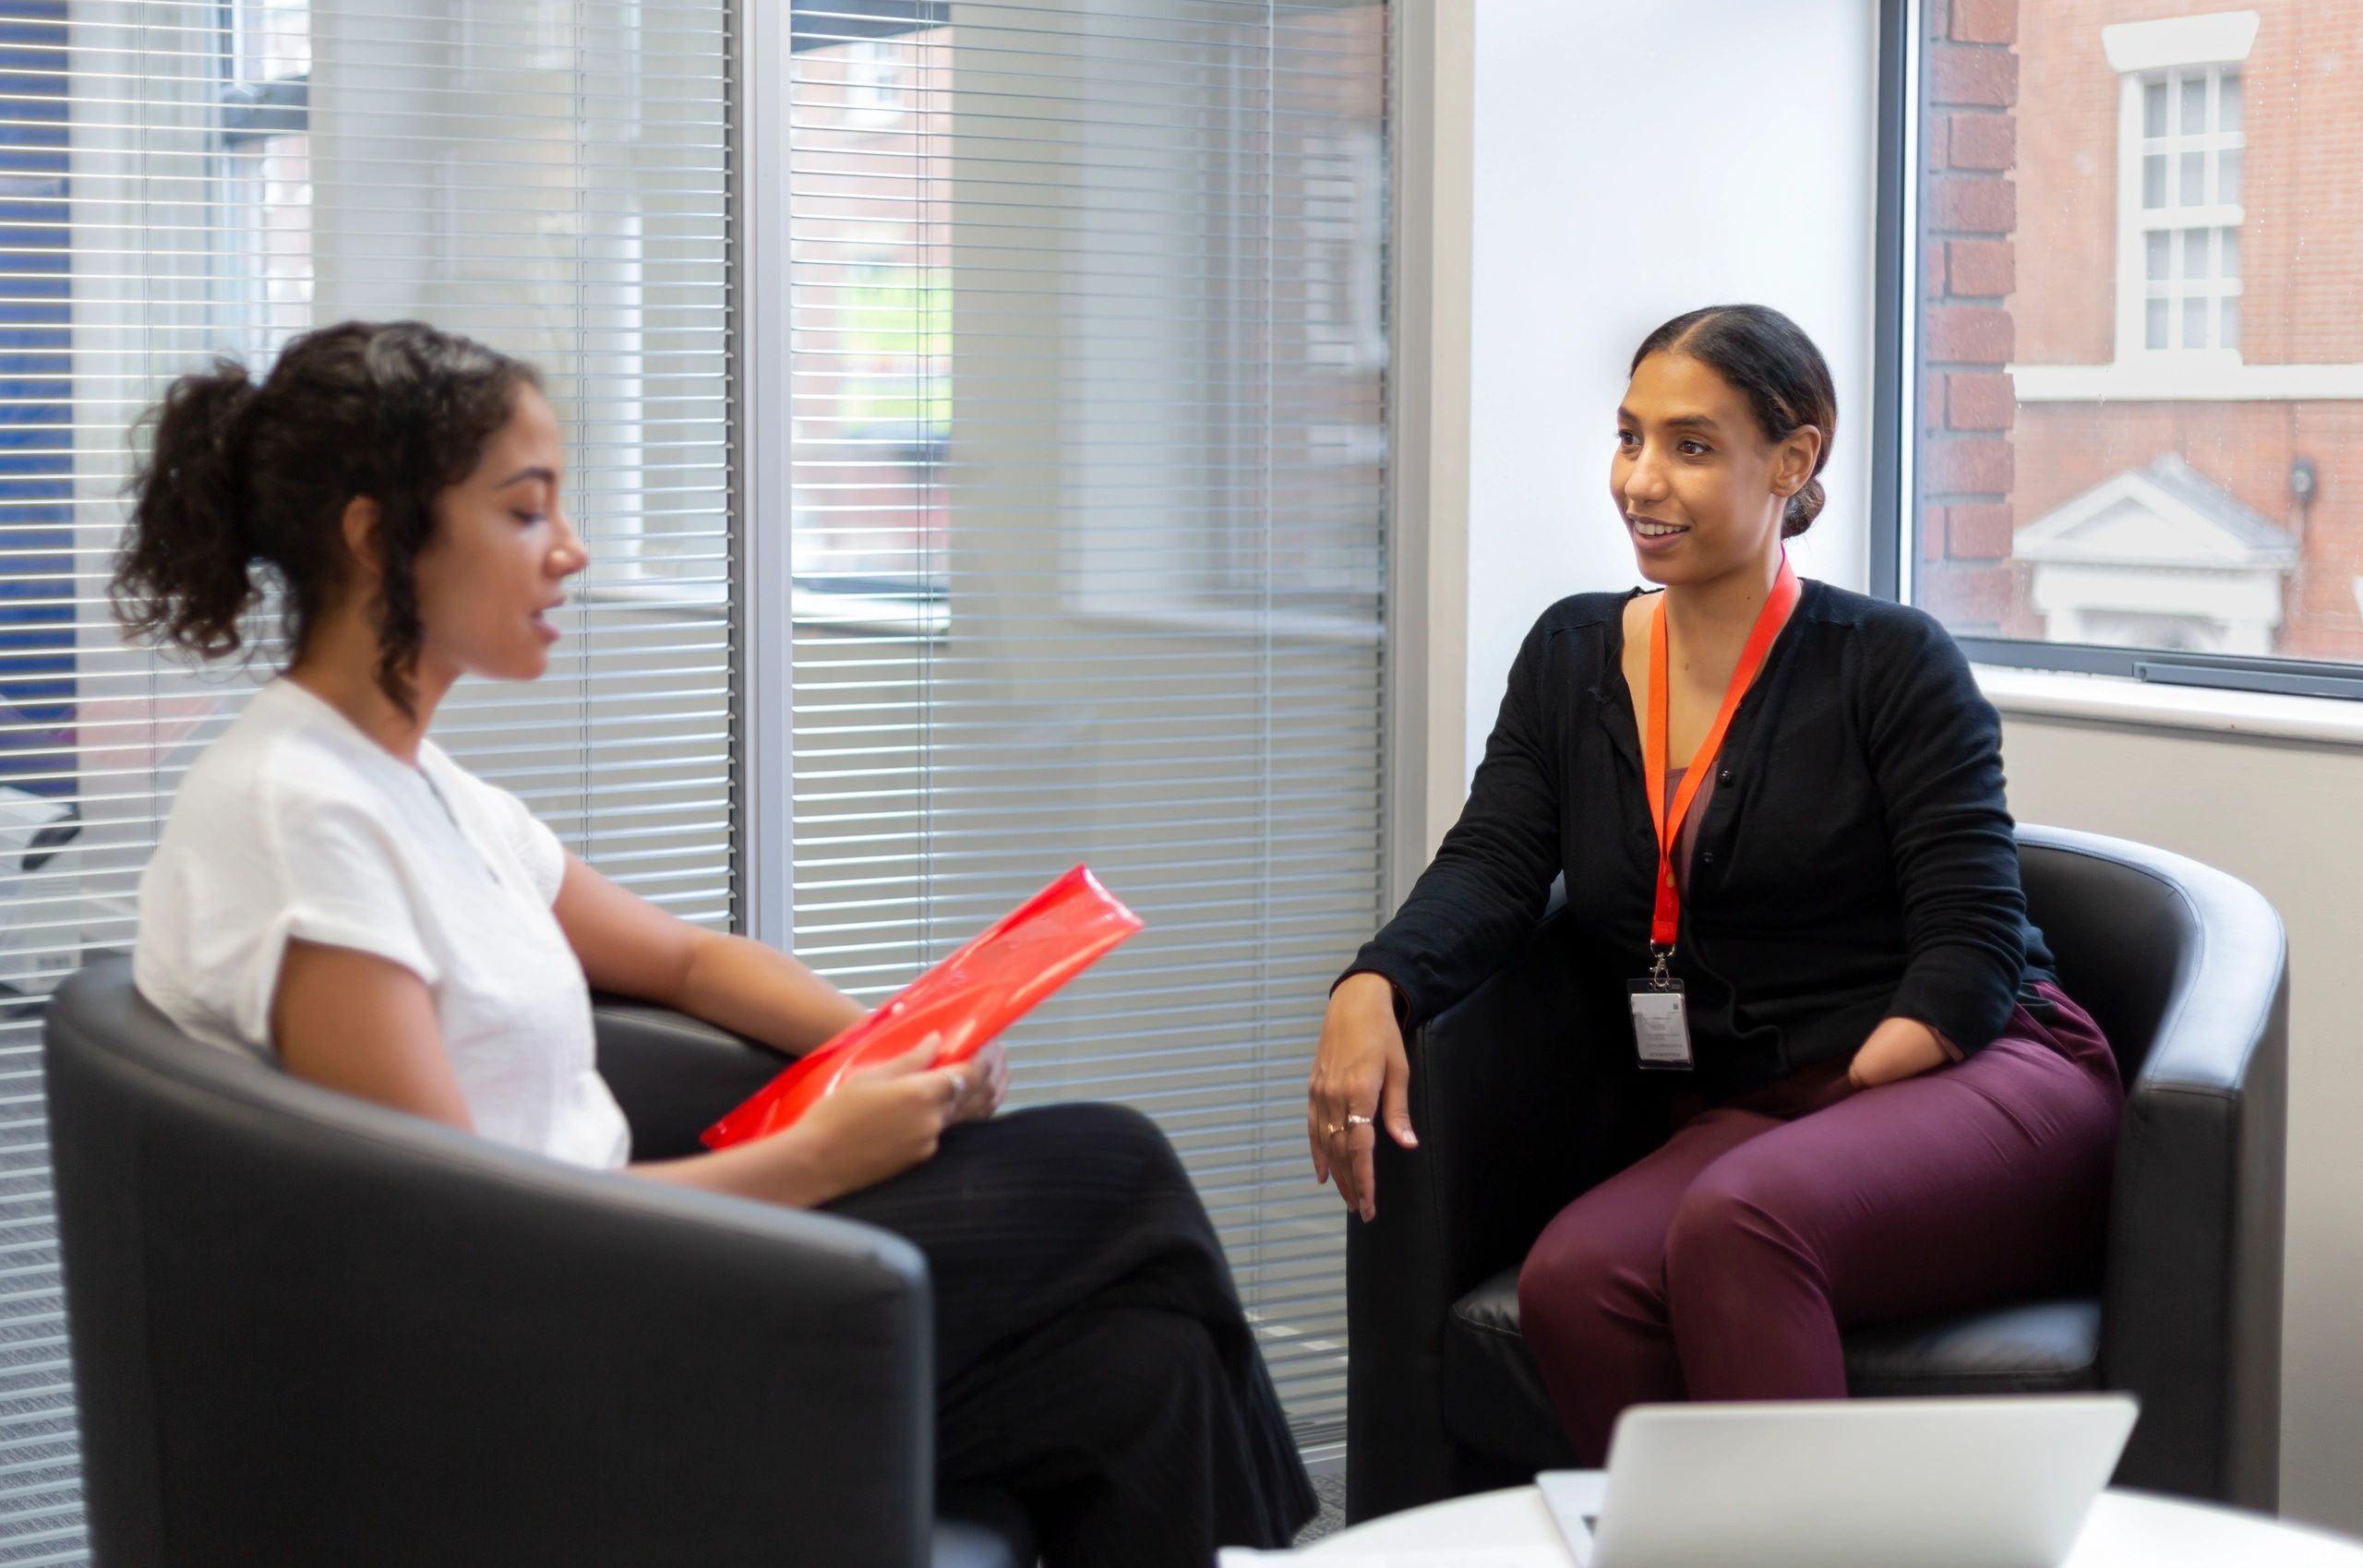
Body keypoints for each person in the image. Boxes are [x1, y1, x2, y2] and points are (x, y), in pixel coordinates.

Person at [121, 319, 1314, 1563]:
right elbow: (460, 1242)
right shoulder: (299, 813)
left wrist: (892, 1043)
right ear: (376, 537)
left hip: (630, 1279)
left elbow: (687, 958)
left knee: (1149, 1368)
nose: (571, 551)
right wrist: (819, 1156)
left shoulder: (421, 786)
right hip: (564, 1354)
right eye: (528, 514)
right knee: (1118, 1164)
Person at [1305, 304, 2123, 1463]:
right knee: (1576, 1280)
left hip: (1980, 1075)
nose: (1642, 479)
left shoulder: (1887, 661)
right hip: (1760, 1112)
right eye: (1630, 437)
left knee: (1741, 1224)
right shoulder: (1572, 654)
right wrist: (1372, 983)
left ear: (1791, 462)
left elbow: (1972, 953)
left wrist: (1815, 1116)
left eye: (1690, 446)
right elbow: (1492, 862)